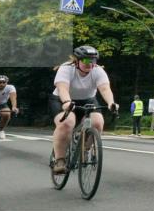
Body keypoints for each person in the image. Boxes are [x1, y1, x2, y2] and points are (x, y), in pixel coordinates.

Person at [50, 45, 118, 174]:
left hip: (88, 100)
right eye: (86, 61)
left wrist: (111, 103)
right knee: (67, 123)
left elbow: (104, 89)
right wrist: (66, 102)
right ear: (77, 61)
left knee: (98, 122)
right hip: (62, 99)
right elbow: (62, 88)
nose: (90, 64)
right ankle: (59, 160)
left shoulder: (98, 71)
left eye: (93, 61)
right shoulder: (66, 69)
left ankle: (85, 150)